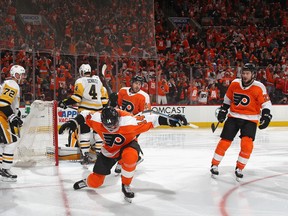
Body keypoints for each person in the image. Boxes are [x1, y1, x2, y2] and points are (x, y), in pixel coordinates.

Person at [58, 106, 188, 201]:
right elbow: (85, 114)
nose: (111, 129)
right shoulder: (97, 119)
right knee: (96, 182)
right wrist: (73, 122)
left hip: (127, 145)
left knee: (131, 157)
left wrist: (172, 120)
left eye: (114, 125)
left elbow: (154, 119)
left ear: (118, 119)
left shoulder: (129, 121)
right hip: (109, 151)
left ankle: (126, 184)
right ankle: (88, 182)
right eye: (108, 126)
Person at [210, 63, 272, 180]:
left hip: (250, 119)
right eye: (243, 73)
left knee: (247, 144)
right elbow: (228, 98)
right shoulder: (235, 83)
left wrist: (266, 115)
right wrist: (223, 109)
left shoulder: (259, 87)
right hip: (233, 116)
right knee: (225, 141)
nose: (244, 75)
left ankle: (239, 167)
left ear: (253, 74)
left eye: (247, 73)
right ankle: (214, 165)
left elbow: (266, 103)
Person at [58, 64, 108, 165]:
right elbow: (104, 101)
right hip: (98, 112)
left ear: (81, 72)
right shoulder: (99, 82)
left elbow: (77, 98)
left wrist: (64, 102)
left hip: (85, 113)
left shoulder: (80, 81)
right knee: (97, 134)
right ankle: (98, 156)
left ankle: (85, 156)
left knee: (84, 133)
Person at [110, 75, 151, 175]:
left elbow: (146, 114)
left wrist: (135, 118)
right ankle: (136, 158)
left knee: (125, 143)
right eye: (136, 83)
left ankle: (121, 163)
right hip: (122, 122)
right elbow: (118, 106)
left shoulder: (144, 96)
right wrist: (113, 101)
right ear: (131, 82)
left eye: (140, 84)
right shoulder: (123, 91)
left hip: (134, 124)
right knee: (120, 142)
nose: (138, 86)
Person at [0, 65, 25, 181]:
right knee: (11, 143)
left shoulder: (7, 83)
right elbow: (3, 103)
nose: (23, 77)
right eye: (22, 74)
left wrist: (16, 114)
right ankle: (4, 170)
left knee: (2, 144)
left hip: (3, 116)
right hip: (2, 117)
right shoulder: (12, 84)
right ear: (16, 74)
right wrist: (12, 116)